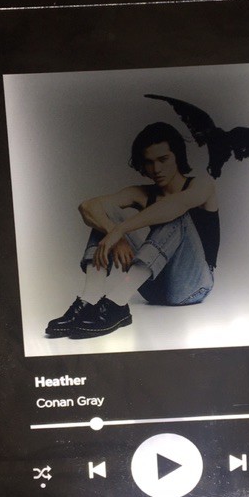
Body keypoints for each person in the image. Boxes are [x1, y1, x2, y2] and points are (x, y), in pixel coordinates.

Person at [46, 121, 220, 339]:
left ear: (177, 156)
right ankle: (89, 300)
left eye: (163, 159)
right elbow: (88, 206)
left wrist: (119, 231)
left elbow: (175, 205)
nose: (156, 169)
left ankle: (116, 303)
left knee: (174, 212)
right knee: (105, 214)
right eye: (149, 162)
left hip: (193, 286)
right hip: (152, 287)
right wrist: (113, 232)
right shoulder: (142, 193)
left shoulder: (203, 185)